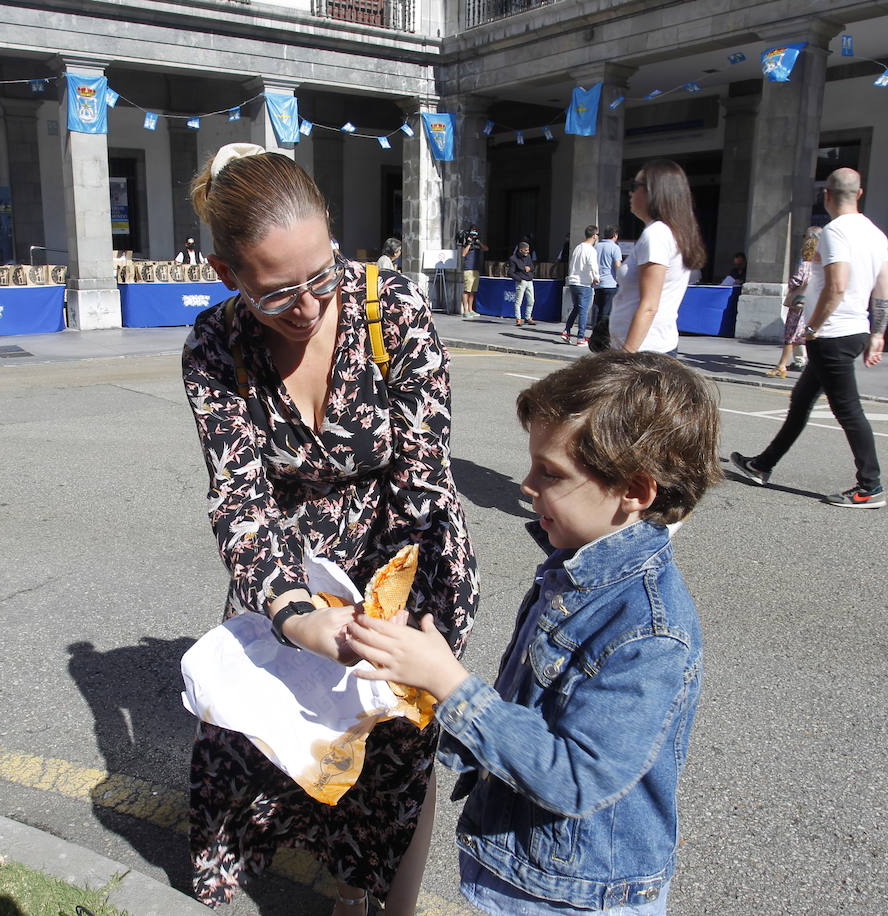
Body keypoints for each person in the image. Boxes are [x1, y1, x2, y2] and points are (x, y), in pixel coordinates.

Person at [181, 142, 479, 914]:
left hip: (405, 553)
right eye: (278, 294)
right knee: (249, 740)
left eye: (323, 275)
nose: (310, 308)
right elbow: (240, 497)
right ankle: (322, 881)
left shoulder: (392, 307)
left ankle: (376, 899)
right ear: (228, 275)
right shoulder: (216, 345)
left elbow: (425, 472)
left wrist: (407, 615)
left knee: (397, 750)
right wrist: (296, 616)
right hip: (293, 566)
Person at [347, 350, 721, 916]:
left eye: (551, 473)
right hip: (539, 874)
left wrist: (449, 684)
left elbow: (576, 776)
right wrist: (415, 672)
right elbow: (531, 710)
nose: (524, 485)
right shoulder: (576, 568)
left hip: (580, 895)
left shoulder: (648, 631)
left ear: (635, 492)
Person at [731, 167, 888, 508]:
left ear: (827, 195)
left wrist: (811, 329)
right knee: (802, 401)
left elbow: (836, 286)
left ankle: (870, 486)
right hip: (856, 329)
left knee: (848, 410)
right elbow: (886, 288)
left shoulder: (834, 232)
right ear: (860, 194)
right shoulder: (876, 234)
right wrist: (877, 334)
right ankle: (761, 465)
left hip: (832, 333)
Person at [609, 160, 707, 355]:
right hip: (654, 347)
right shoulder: (672, 232)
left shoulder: (656, 234)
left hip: (643, 351)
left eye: (635, 186)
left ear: (653, 191)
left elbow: (649, 306)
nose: (630, 193)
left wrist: (625, 357)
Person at [766, 227, 820, 378]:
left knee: (790, 335)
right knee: (804, 335)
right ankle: (805, 364)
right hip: (811, 304)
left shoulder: (805, 265)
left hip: (799, 304)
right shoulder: (820, 267)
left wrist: (792, 286)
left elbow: (796, 280)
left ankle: (781, 366)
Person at [560, 225, 599, 346]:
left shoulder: (578, 247)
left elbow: (572, 264)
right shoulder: (591, 250)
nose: (598, 237)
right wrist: (596, 278)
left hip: (573, 282)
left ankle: (566, 331)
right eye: (598, 235)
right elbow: (593, 265)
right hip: (584, 283)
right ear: (594, 236)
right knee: (583, 311)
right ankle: (581, 338)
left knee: (577, 308)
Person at [591, 225, 624, 351]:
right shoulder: (615, 248)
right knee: (606, 311)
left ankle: (594, 333)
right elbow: (617, 265)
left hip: (597, 282)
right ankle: (603, 337)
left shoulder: (597, 246)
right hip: (610, 283)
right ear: (615, 235)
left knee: (597, 308)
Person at [459, 224, 489, 317]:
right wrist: (469, 243)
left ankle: (471, 309)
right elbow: (463, 254)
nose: (474, 232)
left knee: (472, 291)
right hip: (468, 268)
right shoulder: (466, 242)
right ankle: (465, 310)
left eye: (475, 231)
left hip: (476, 268)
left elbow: (486, 249)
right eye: (473, 230)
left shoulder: (477, 243)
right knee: (467, 290)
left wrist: (478, 242)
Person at [508, 239, 536, 327]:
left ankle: (528, 317)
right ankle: (518, 319)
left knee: (531, 300)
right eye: (526, 250)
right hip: (521, 281)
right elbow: (510, 272)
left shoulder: (528, 256)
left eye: (528, 250)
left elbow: (532, 266)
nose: (528, 251)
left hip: (529, 280)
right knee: (518, 301)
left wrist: (530, 269)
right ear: (521, 250)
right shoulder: (513, 259)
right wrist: (519, 279)